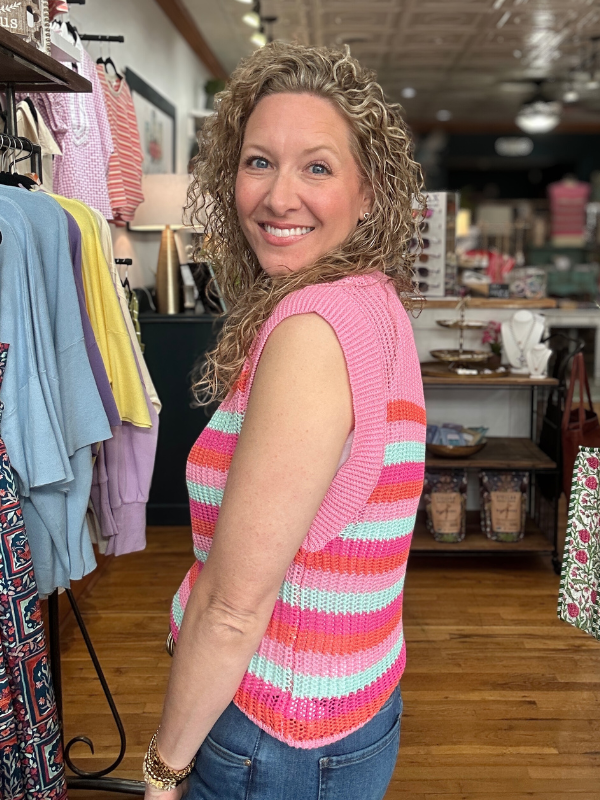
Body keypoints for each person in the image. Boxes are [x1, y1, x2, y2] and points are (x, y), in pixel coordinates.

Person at [143, 41, 426, 800]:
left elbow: (234, 610)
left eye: (318, 167)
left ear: (369, 193)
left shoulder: (312, 327)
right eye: (259, 161)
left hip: (276, 734)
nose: (277, 196)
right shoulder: (376, 302)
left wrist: (163, 768)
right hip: (353, 702)